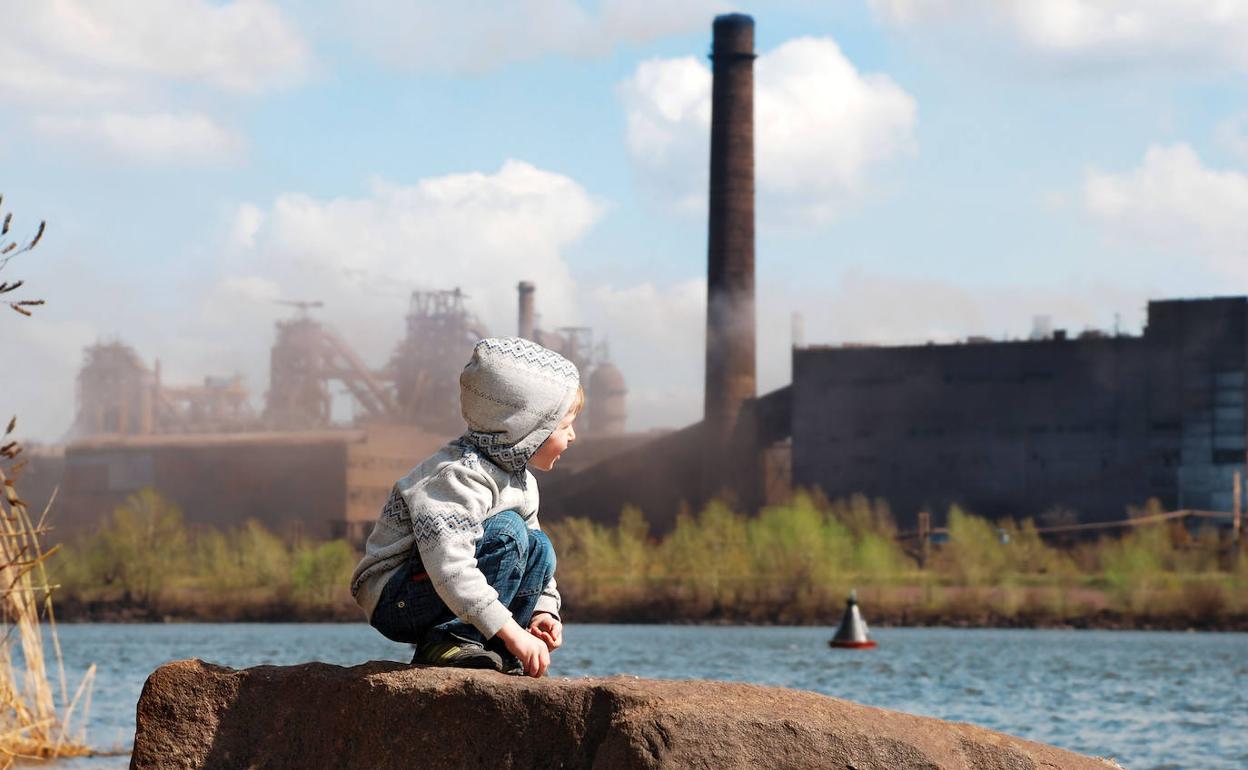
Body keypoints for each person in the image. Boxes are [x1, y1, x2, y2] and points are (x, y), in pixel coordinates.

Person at [350, 337, 580, 678]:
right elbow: (448, 565)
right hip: (396, 597)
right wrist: (512, 631)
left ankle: (496, 649)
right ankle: (448, 639)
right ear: (526, 428)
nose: (573, 436)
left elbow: (535, 561)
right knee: (508, 532)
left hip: (438, 588)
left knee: (538, 544)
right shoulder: (457, 476)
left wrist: (542, 612)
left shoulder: (522, 482)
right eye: (564, 426)